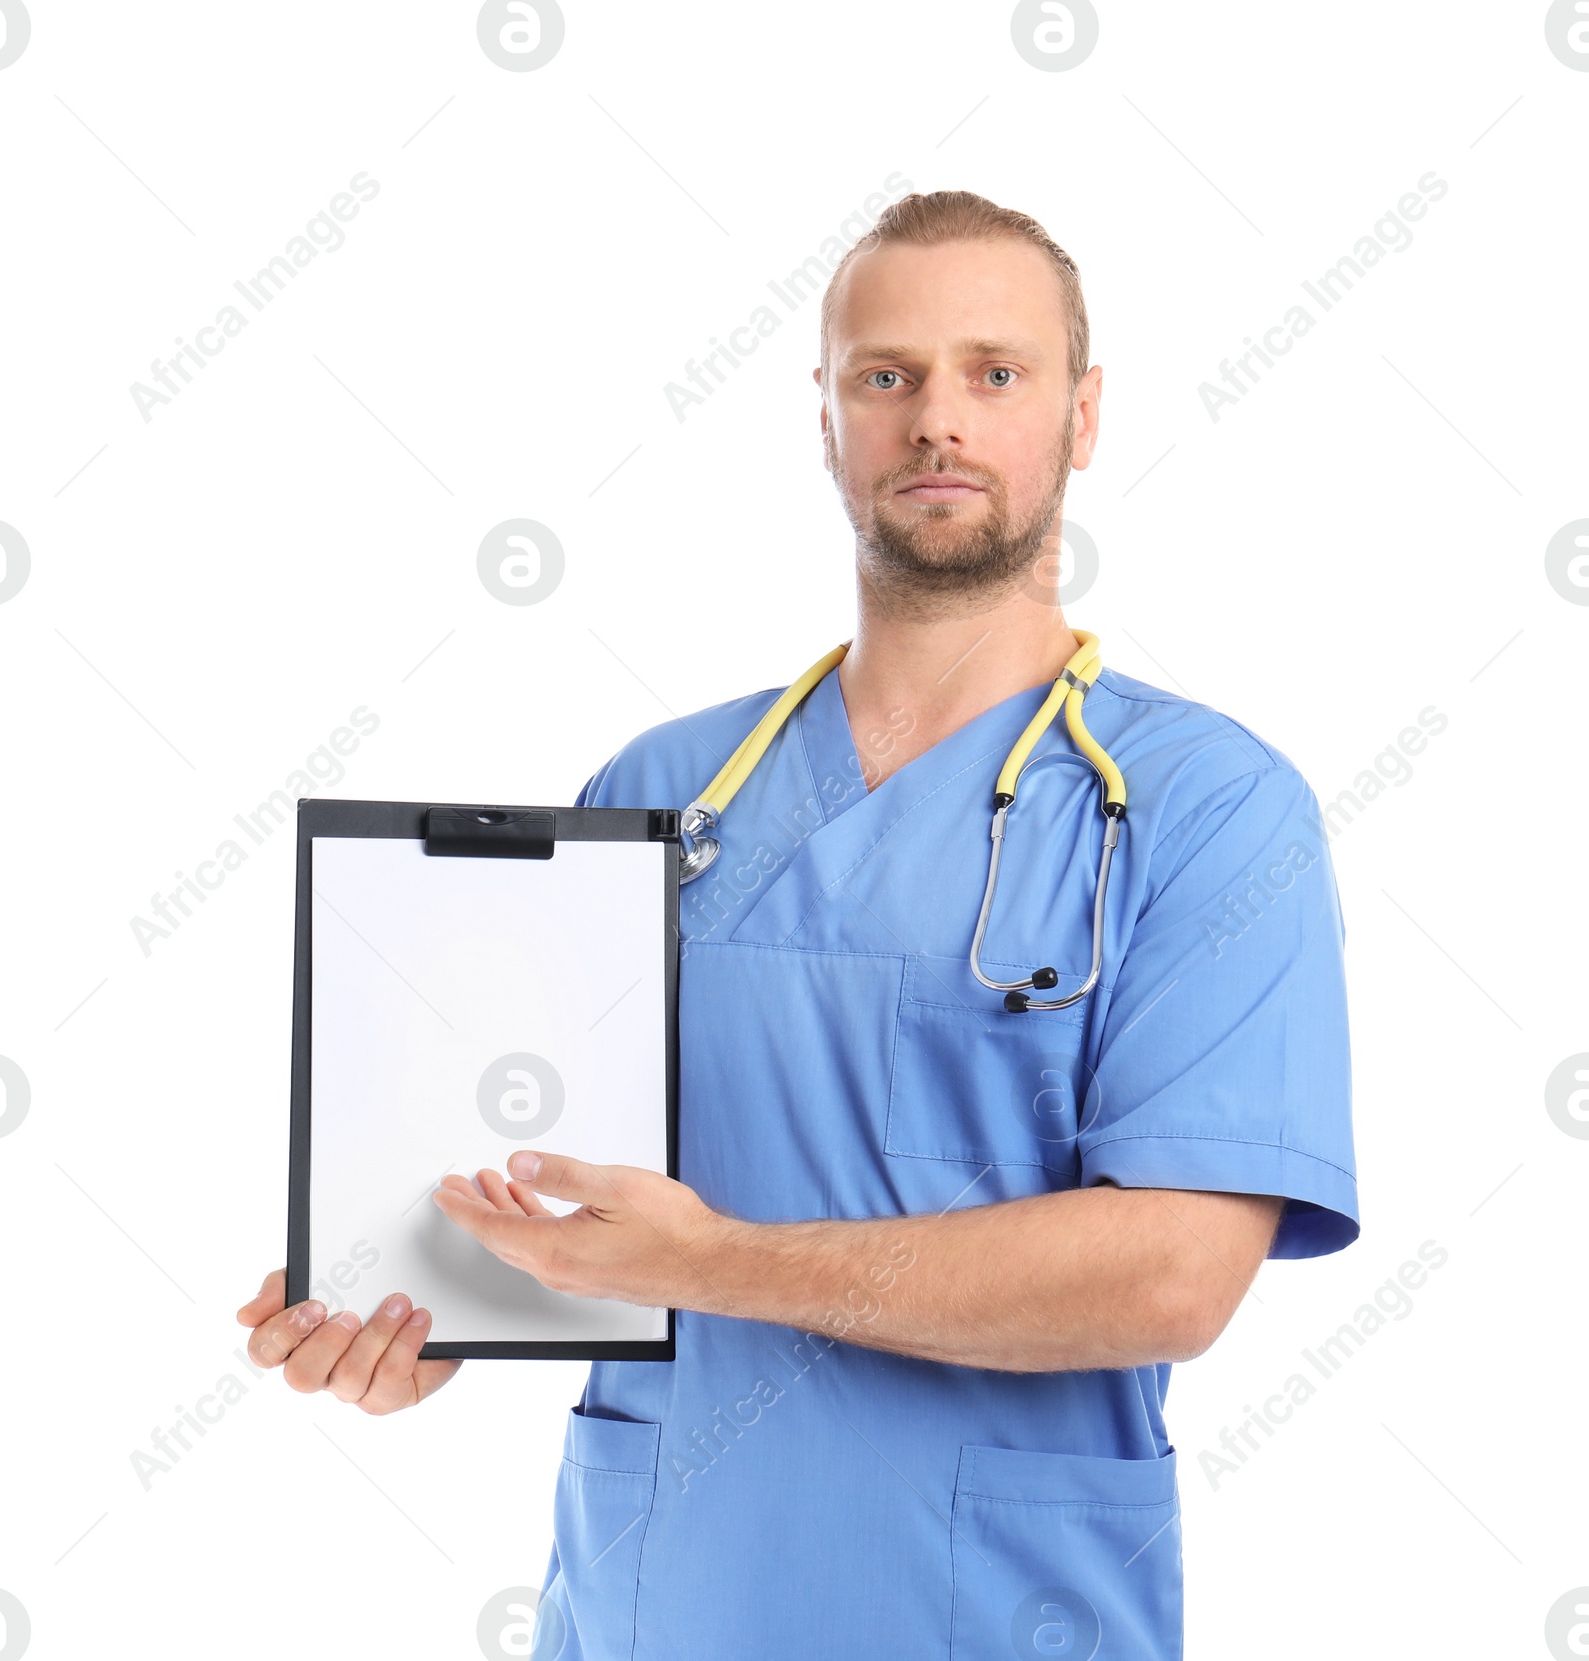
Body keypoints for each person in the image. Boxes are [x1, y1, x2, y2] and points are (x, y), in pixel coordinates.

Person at [238, 190, 1358, 1660]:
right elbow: (569, 1216)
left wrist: (713, 1262)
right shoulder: (660, 795)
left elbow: (1170, 1273)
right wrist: (426, 1323)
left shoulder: (1207, 810)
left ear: (1084, 417)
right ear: (824, 419)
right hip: (656, 1605)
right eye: (884, 376)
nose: (935, 421)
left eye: (995, 373)